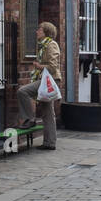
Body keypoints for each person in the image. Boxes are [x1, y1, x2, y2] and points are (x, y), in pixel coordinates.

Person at [17, 21, 61, 150]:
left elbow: (53, 67)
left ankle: (29, 119)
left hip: (49, 81)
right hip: (45, 80)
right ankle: (49, 143)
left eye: (39, 29)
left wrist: (39, 66)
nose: (37, 31)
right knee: (48, 113)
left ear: (46, 32)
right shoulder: (43, 45)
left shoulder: (51, 45)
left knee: (22, 91)